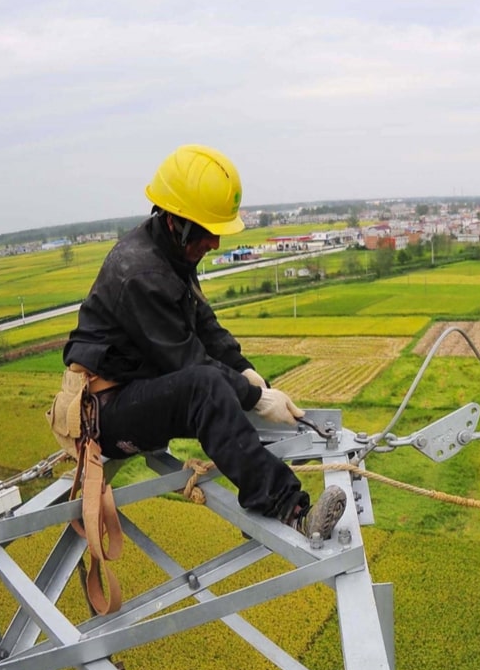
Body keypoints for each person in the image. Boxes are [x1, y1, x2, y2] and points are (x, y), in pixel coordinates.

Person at [61, 144, 345, 539]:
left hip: (137, 390)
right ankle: (287, 508)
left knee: (228, 387)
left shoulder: (172, 255)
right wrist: (255, 398)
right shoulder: (141, 274)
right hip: (105, 412)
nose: (214, 244)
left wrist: (249, 375)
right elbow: (189, 363)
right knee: (209, 388)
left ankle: (259, 485)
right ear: (178, 221)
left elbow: (205, 328)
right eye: (210, 233)